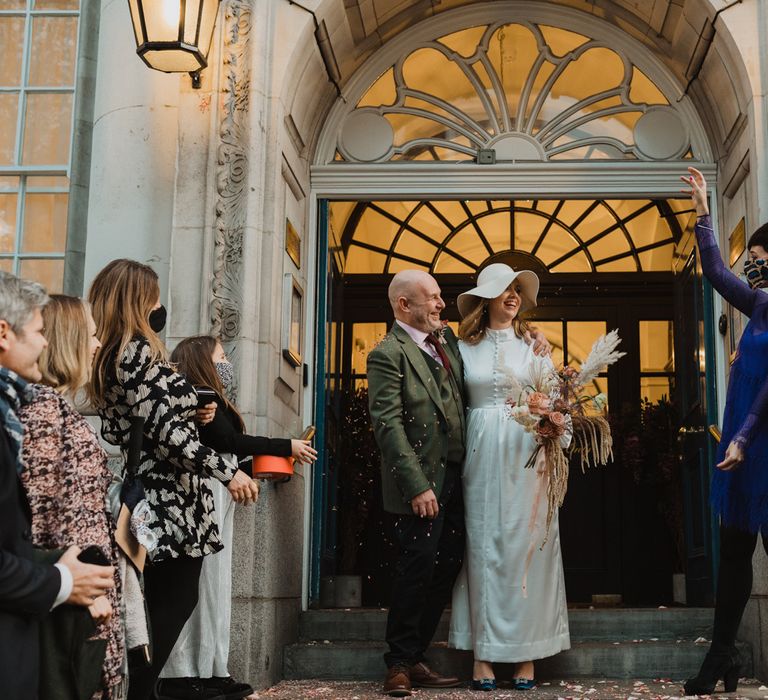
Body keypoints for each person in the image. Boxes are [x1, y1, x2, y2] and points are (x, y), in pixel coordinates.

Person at [366, 269, 550, 697]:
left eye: (439, 297)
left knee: (446, 566)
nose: (439, 304)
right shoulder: (387, 353)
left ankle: (415, 657)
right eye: (430, 298)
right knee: (416, 566)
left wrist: (533, 334)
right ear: (402, 305)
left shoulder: (447, 342)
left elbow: (499, 342)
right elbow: (388, 425)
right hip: (421, 484)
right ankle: (397, 663)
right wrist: (416, 485)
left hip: (460, 476)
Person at [88, 259, 259, 700]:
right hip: (168, 496)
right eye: (156, 296)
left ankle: (141, 690)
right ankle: (138, 692)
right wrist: (229, 472)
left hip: (166, 490)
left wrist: (194, 404)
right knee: (170, 601)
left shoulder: (118, 353)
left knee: (162, 601)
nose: (162, 305)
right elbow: (167, 433)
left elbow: (143, 418)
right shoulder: (135, 353)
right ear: (140, 299)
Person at [162, 335, 317, 700]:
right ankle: (186, 673)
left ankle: (213, 668)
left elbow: (230, 448)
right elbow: (229, 444)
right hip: (206, 494)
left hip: (219, 494)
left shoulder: (211, 401)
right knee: (205, 584)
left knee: (216, 583)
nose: (226, 362)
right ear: (202, 360)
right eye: (220, 356)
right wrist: (284, 445)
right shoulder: (201, 399)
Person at [447, 263, 570, 691]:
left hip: (527, 453)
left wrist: (550, 421)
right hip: (479, 454)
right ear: (486, 298)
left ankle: (527, 654)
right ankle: (482, 653)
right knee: (482, 545)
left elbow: (555, 401)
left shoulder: (535, 347)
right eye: (504, 289)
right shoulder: (461, 347)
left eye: (518, 289)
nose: (513, 296)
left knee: (526, 545)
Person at [0, 271, 115, 698]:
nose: (98, 343)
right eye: (39, 331)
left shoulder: (30, 407)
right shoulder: (43, 410)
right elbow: (54, 509)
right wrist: (72, 583)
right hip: (57, 591)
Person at [681, 167, 768, 695]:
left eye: (760, 259)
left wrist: (744, 435)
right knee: (734, 554)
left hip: (760, 444)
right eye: (751, 260)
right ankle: (721, 659)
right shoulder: (758, 305)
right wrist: (703, 212)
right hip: (741, 448)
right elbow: (714, 270)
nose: (752, 266)